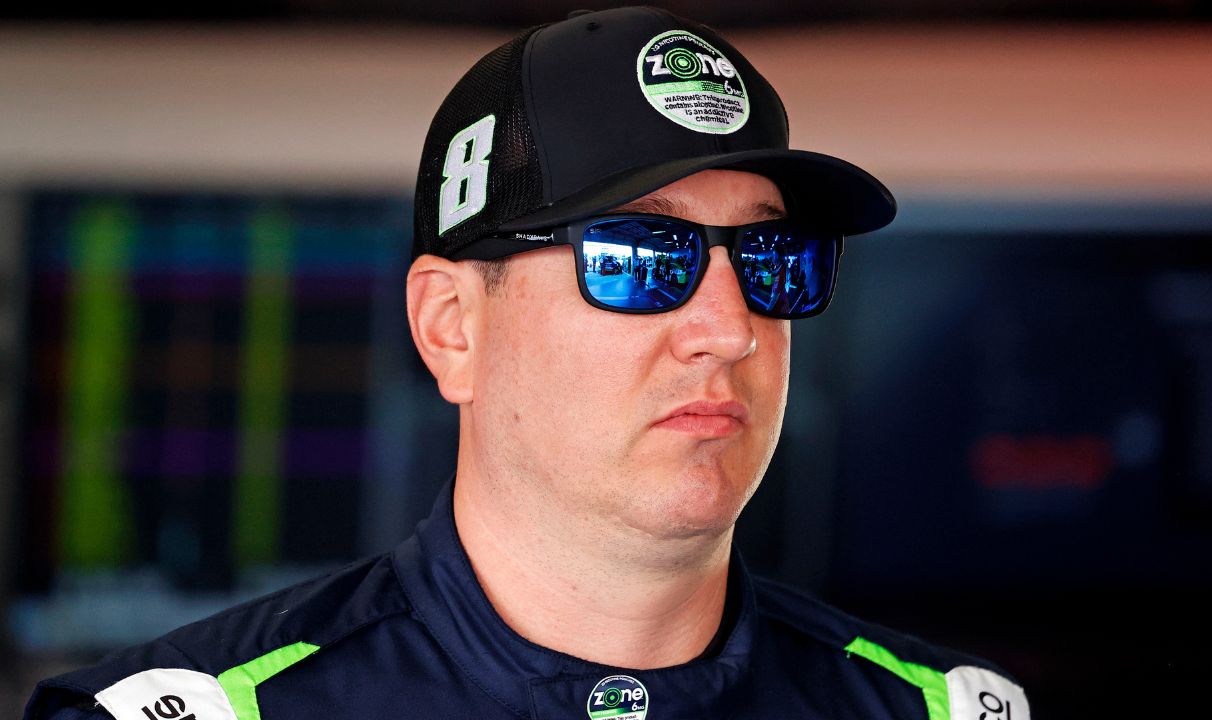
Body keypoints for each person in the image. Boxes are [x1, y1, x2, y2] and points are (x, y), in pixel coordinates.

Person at [25, 7, 1029, 720]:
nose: (728, 327)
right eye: (640, 259)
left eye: (768, 260)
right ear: (451, 326)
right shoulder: (200, 713)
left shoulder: (940, 710)